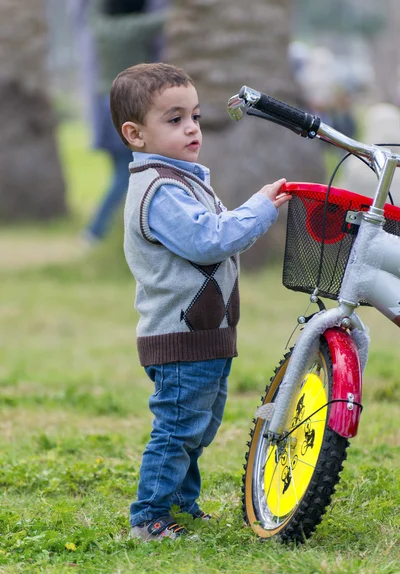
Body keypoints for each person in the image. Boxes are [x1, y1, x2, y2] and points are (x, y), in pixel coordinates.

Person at [109, 62, 291, 541]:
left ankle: (180, 506)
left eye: (194, 116)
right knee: (177, 429)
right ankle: (149, 517)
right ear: (135, 134)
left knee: (197, 428)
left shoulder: (182, 179)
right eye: (173, 119)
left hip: (207, 335)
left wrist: (252, 214)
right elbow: (209, 240)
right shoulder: (160, 188)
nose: (191, 128)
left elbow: (221, 240)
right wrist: (258, 208)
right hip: (180, 337)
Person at [69, 0, 166, 243]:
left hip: (104, 104)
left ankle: (116, 232)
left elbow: (90, 10)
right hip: (127, 105)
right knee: (125, 174)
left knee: (119, 172)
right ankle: (94, 231)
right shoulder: (138, 27)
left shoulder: (99, 25)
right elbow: (169, 16)